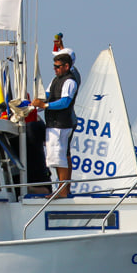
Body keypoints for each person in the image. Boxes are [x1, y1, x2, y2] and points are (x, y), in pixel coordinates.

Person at [33, 49, 80, 198]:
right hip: (53, 124)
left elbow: (65, 102)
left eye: (58, 66)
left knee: (61, 157)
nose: (55, 69)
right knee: (57, 157)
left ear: (66, 67)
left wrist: (45, 106)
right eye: (54, 66)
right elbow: (47, 95)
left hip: (62, 125)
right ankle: (61, 189)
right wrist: (33, 103)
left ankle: (63, 191)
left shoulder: (70, 81)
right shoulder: (55, 80)